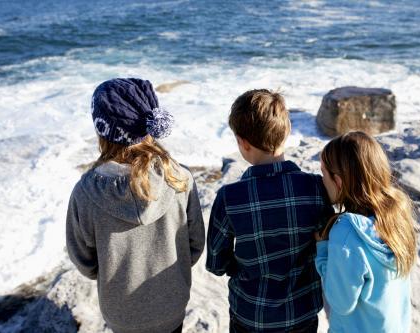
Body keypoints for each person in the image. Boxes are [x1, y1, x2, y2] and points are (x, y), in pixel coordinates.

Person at [66, 78, 205, 333]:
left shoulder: (86, 192)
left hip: (121, 313)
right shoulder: (181, 179)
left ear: (102, 129)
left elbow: (84, 262)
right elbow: (195, 245)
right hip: (172, 305)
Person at [206, 89, 333, 332]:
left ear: (243, 143)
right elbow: (324, 244)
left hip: (251, 315)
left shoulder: (229, 197)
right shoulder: (316, 188)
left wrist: (243, 265)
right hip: (302, 312)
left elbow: (216, 264)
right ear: (287, 132)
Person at [315, 131, 416, 333]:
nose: (321, 180)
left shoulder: (346, 232)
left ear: (339, 182)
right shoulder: (397, 214)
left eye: (324, 173)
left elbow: (341, 303)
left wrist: (323, 252)